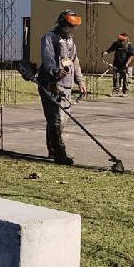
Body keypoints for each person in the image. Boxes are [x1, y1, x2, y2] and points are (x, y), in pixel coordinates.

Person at [37, 9, 86, 165]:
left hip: (66, 86)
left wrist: (80, 81)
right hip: (51, 84)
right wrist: (55, 71)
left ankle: (52, 148)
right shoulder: (49, 37)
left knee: (62, 120)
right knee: (56, 120)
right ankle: (60, 153)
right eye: (69, 25)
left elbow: (75, 62)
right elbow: (47, 58)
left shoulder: (70, 41)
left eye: (73, 26)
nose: (71, 29)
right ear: (62, 23)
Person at [102, 32, 134, 97]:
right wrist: (105, 52)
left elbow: (131, 55)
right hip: (117, 65)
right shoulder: (116, 44)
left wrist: (127, 63)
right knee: (116, 78)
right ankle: (115, 91)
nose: (120, 42)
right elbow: (111, 49)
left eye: (122, 41)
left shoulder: (130, 46)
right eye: (119, 40)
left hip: (126, 66)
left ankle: (125, 92)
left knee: (126, 78)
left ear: (126, 40)